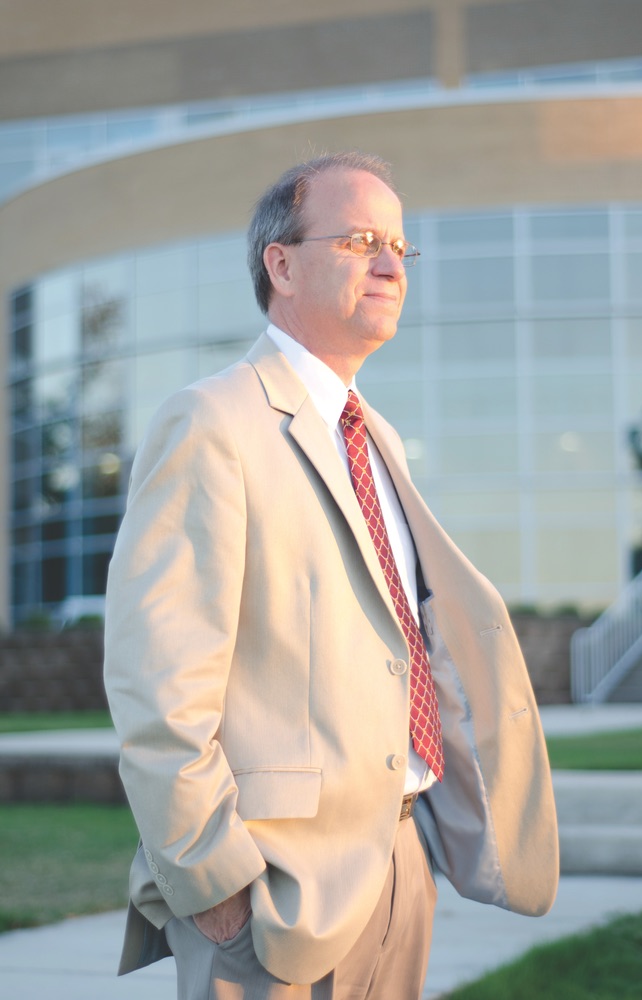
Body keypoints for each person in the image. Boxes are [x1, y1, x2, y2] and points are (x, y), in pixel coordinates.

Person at [103, 151, 558, 1000]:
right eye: (358, 241)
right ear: (280, 263)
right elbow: (158, 686)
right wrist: (219, 888)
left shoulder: (374, 434)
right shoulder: (211, 422)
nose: (390, 264)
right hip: (271, 894)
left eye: (398, 245)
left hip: (398, 864)